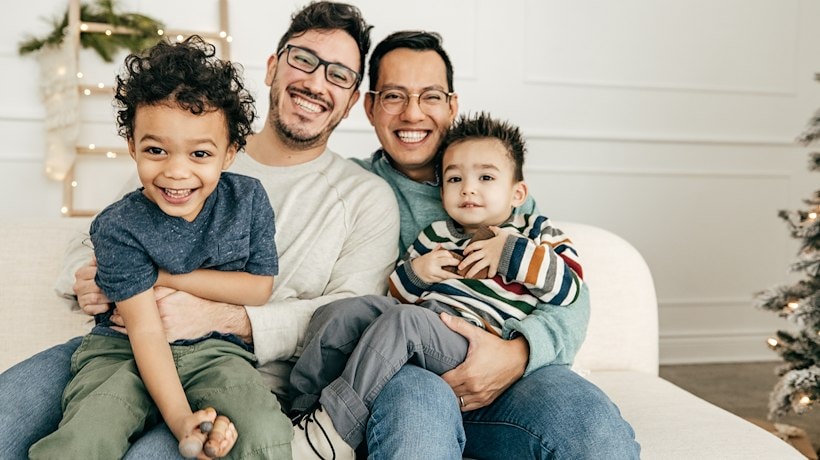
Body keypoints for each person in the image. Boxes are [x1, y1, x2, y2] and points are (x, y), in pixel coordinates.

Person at [0, 2, 399, 458]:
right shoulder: (178, 135)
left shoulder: (363, 197)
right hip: (119, 341)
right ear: (272, 68)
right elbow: (93, 240)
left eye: (339, 75)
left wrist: (227, 317)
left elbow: (350, 317)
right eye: (303, 59)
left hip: (232, 365)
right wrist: (89, 278)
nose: (314, 81)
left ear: (352, 100)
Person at [350, 31, 640, 459]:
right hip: (409, 373)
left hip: (511, 367)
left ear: (452, 105)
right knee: (416, 435)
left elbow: (569, 296)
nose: (413, 113)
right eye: (394, 96)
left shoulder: (494, 183)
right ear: (370, 106)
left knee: (594, 431)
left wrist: (517, 354)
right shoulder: (352, 188)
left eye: (430, 96)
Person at [28, 35, 291, 460]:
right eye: (155, 150)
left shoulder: (249, 200)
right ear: (132, 145)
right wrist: (183, 420)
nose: (176, 171)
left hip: (216, 349)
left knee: (265, 432)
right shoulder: (118, 226)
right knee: (84, 439)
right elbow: (146, 331)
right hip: (122, 350)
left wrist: (166, 278)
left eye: (200, 153)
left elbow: (259, 288)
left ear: (229, 154)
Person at [289, 111, 586, 459]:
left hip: (475, 339)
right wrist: (417, 272)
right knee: (340, 313)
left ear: (517, 192)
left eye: (486, 177)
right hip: (421, 330)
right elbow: (396, 295)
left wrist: (509, 250)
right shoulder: (437, 235)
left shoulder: (535, 231)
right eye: (455, 178)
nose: (468, 188)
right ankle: (302, 413)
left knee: (405, 322)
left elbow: (569, 288)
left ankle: (334, 432)